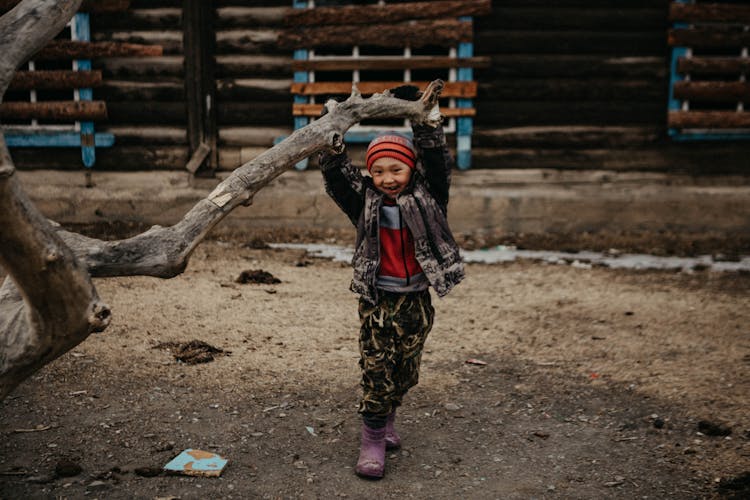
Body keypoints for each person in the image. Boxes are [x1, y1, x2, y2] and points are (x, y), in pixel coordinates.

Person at [318, 84, 465, 479]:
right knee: (377, 366)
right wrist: (330, 141)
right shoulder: (363, 201)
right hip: (378, 298)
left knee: (405, 369)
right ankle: (371, 439)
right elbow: (338, 178)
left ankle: (387, 421)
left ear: (411, 169)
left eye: (395, 169)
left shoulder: (429, 194)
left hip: (417, 298)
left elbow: (436, 160)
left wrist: (426, 122)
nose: (387, 178)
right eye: (377, 171)